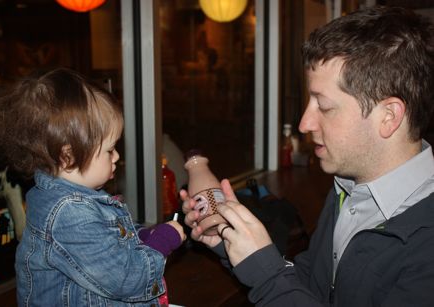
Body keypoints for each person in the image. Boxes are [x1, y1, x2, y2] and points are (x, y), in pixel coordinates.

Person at [182, 6, 434, 307]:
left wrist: (268, 276)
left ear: (388, 116)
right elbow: (313, 286)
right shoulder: (348, 189)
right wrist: (232, 240)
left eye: (324, 107)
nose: (304, 123)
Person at [0, 68, 186, 306]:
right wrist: (161, 243)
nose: (116, 157)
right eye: (109, 150)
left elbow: (107, 239)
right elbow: (126, 279)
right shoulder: (70, 212)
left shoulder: (71, 198)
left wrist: (142, 236)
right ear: (68, 156)